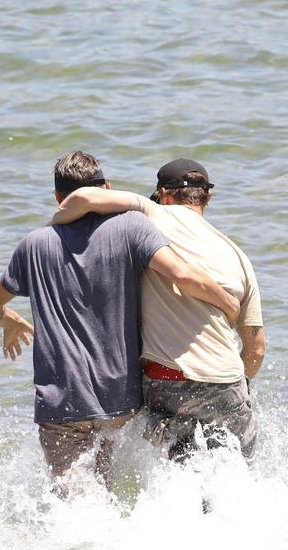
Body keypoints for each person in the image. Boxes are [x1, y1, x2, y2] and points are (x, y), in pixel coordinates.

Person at [0, 151, 239, 494]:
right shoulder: (132, 228)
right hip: (121, 399)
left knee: (73, 502)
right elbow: (182, 274)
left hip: (62, 404)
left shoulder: (34, 244)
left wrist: (9, 321)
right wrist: (228, 303)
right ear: (107, 188)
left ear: (58, 198)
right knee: (110, 490)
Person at [51, 158, 265, 461]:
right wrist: (238, 386)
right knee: (237, 472)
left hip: (169, 380)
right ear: (208, 198)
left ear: (163, 194)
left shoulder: (153, 214)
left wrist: (49, 232)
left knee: (180, 472)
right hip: (227, 381)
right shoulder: (239, 256)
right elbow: (256, 348)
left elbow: (84, 197)